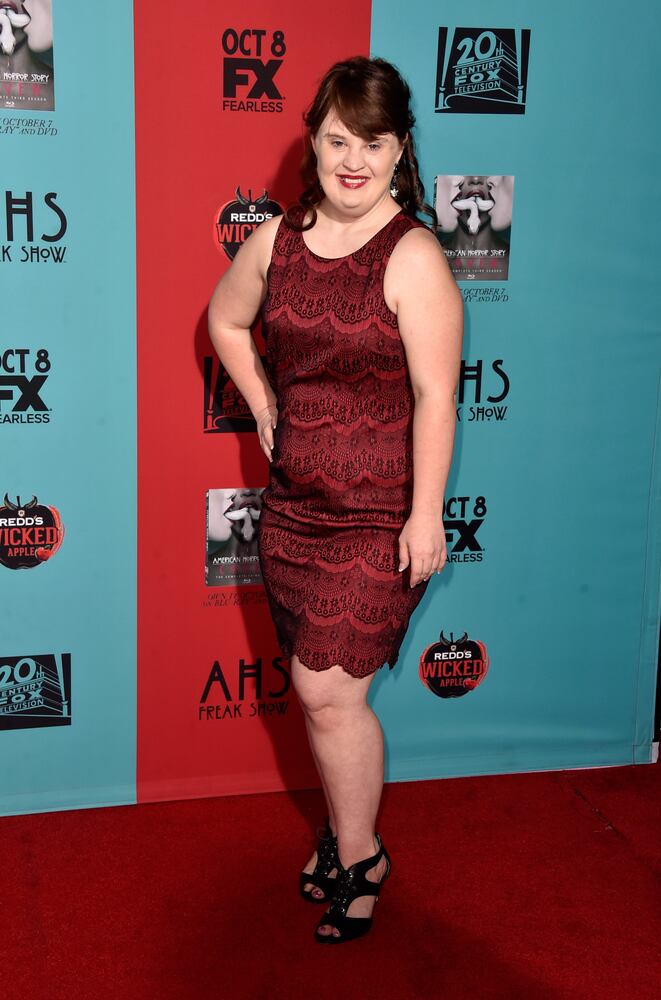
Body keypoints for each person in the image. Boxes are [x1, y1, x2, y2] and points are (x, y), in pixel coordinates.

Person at [208, 55, 463, 943]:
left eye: (373, 142)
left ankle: (361, 858)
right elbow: (224, 319)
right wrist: (262, 403)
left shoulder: (413, 254)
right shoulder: (278, 240)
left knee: (326, 693)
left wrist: (424, 514)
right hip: (294, 509)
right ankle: (344, 839)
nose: (353, 160)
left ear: (400, 151)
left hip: (378, 514)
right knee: (321, 701)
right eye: (337, 140)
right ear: (313, 143)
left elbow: (436, 396)